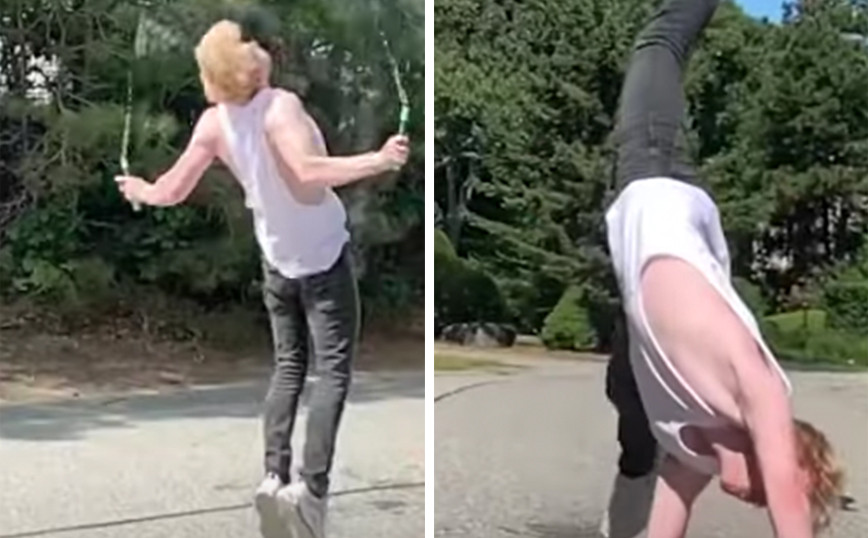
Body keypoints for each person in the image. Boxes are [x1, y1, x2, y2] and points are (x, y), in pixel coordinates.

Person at [115, 20, 410, 538]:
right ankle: (311, 494)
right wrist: (380, 159)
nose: (255, 46)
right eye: (246, 44)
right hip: (322, 255)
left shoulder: (214, 123)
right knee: (333, 373)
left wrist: (140, 189)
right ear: (247, 64)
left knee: (289, 367)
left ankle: (273, 477)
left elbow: (171, 191)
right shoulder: (280, 107)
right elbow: (308, 173)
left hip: (276, 260)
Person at [602, 1, 843, 537]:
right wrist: (790, 496)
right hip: (658, 170)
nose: (760, 499)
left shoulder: (691, 457)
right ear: (784, 453)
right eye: (775, 487)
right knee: (661, 41)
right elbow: (790, 502)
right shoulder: (762, 391)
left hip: (640, 213)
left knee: (623, 391)